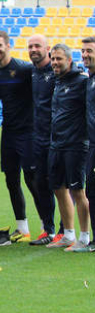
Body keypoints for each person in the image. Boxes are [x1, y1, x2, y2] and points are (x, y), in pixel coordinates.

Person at [0, 30, 40, 242]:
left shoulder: (24, 69)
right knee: (11, 180)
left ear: (8, 46)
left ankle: (50, 227)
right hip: (8, 133)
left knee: (32, 180)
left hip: (28, 133)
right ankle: (23, 228)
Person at [46, 43, 91, 251]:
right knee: (58, 187)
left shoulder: (81, 81)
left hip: (75, 145)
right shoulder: (57, 80)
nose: (55, 62)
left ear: (69, 60)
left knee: (78, 190)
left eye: (59, 59)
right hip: (57, 144)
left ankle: (84, 236)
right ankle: (68, 234)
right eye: (53, 59)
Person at [27, 34, 60, 244]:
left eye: (37, 46)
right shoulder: (31, 73)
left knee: (61, 185)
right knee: (40, 183)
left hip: (57, 138)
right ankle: (48, 228)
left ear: (47, 48)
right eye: (30, 46)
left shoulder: (57, 73)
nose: (33, 49)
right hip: (37, 138)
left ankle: (65, 230)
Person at [79, 36, 95, 252]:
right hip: (91, 144)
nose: (85, 55)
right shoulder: (89, 80)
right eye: (83, 51)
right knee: (91, 191)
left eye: (89, 51)